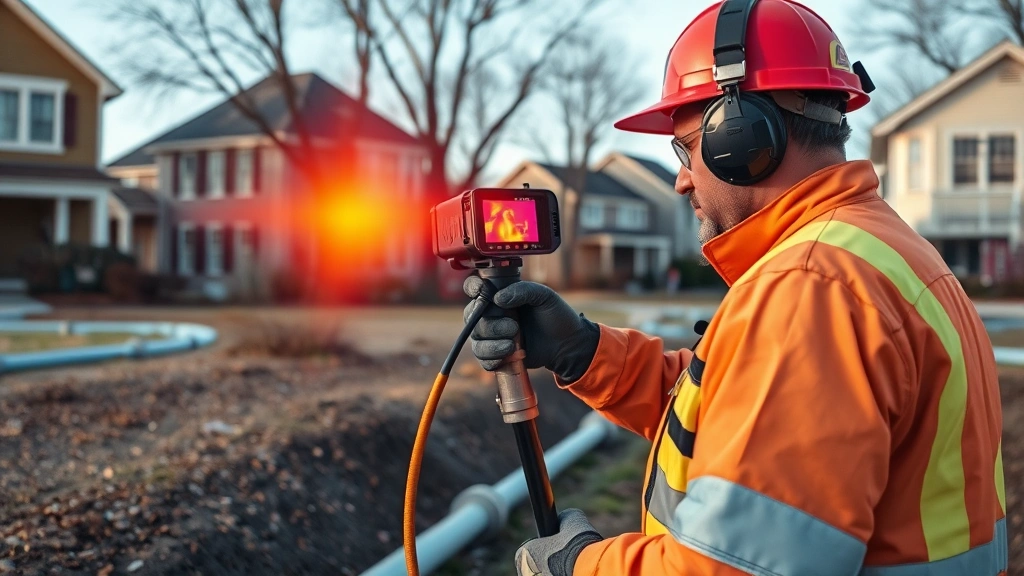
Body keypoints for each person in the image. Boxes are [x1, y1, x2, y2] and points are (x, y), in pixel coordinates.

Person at [463, 1, 1009, 575]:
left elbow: (736, 567)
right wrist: (584, 351)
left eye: (685, 149)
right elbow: (737, 410)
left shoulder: (811, 289)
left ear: (741, 137)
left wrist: (578, 565)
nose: (679, 180)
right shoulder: (881, 250)